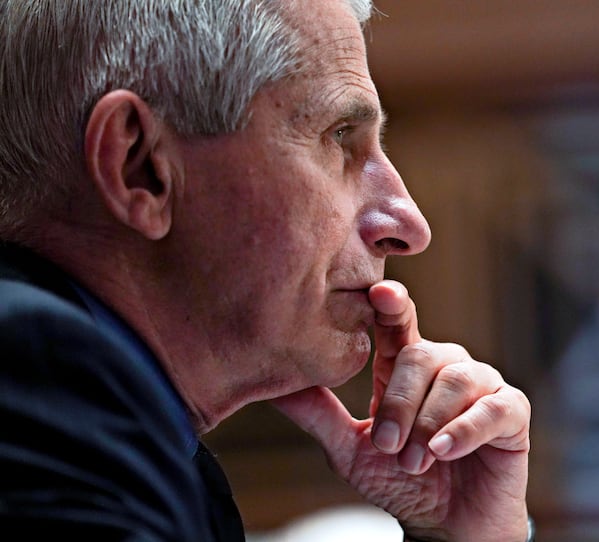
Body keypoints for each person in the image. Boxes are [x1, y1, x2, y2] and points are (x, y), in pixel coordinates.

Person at [0, 1, 533, 541]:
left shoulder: (123, 429)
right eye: (339, 137)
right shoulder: (38, 380)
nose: (409, 223)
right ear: (140, 165)